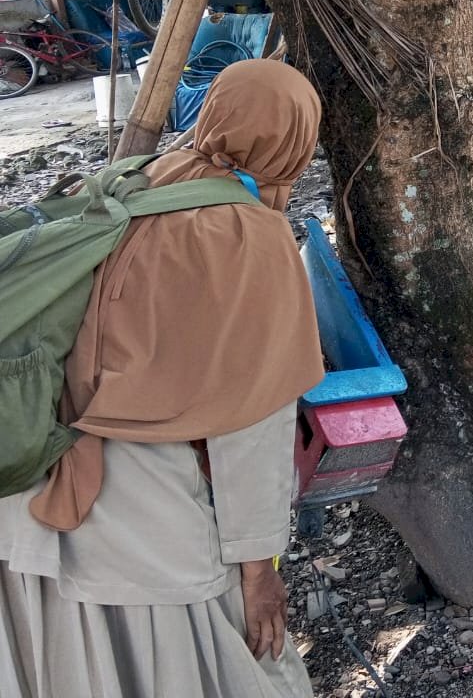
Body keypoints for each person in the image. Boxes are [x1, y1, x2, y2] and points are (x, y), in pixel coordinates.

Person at [0, 60, 325, 697]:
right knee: (205, 665)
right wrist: (258, 568)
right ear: (294, 141)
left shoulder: (132, 177)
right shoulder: (254, 241)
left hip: (30, 478)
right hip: (135, 517)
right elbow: (250, 425)